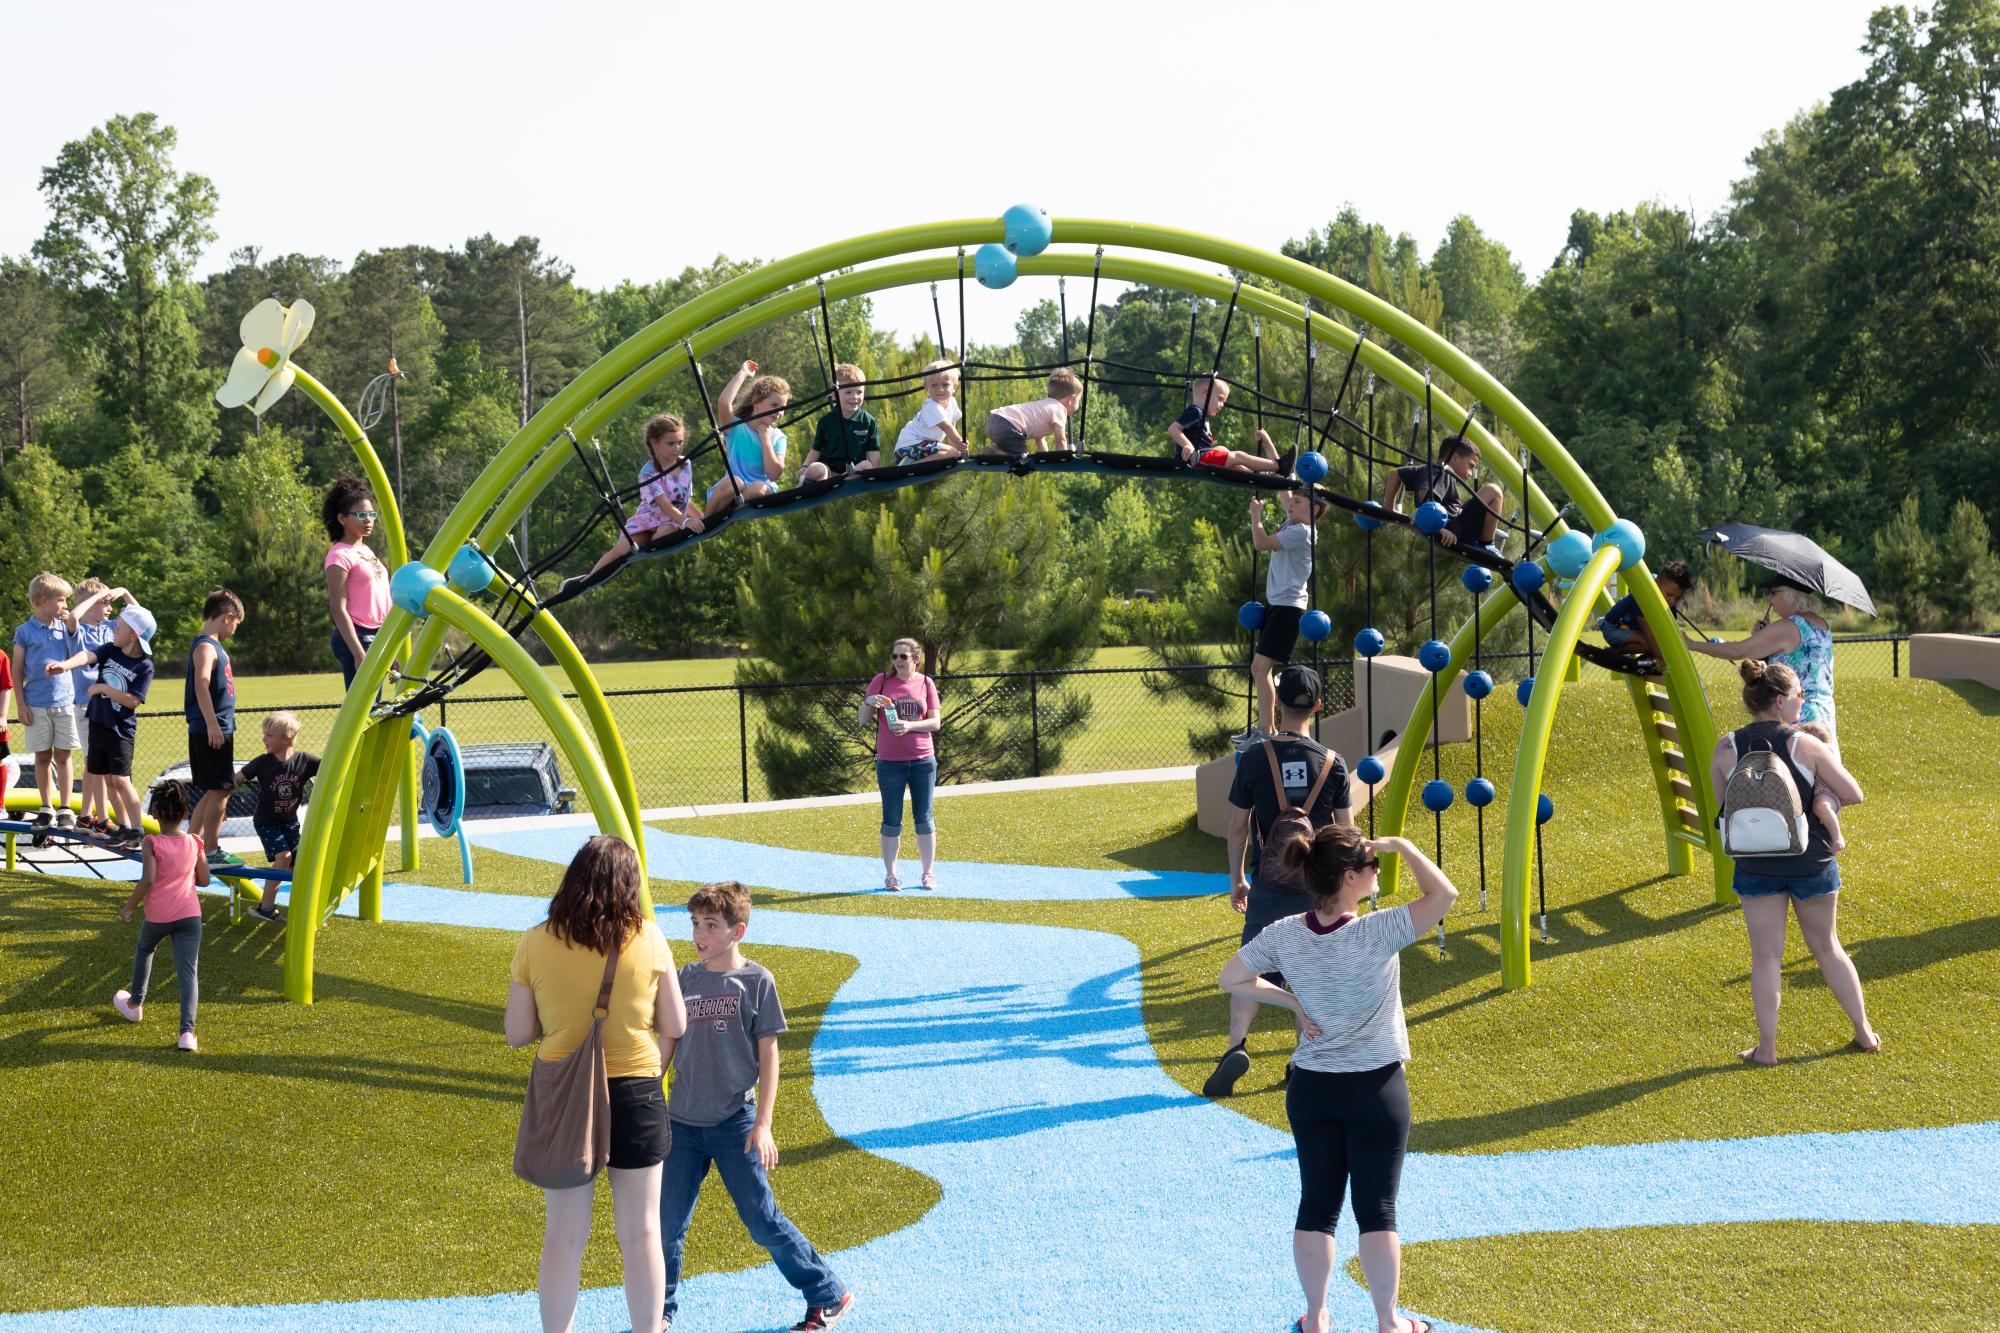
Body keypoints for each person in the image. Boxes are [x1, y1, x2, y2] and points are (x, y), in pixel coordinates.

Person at [1220, 824, 1459, 1333]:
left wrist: (1291, 1000)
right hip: (1377, 1090)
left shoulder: (1285, 934)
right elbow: (1444, 895)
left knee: (1317, 1206)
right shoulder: (1380, 930)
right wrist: (1405, 846)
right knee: (1377, 1211)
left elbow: (1231, 978)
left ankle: (1318, 1319)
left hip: (1312, 1088)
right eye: (1373, 864)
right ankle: (1389, 1323)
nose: (1379, 870)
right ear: (1350, 876)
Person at [507, 835, 685, 1333]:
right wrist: (652, 1068)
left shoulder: (535, 940)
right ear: (630, 885)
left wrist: (560, 1017)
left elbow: (518, 1033)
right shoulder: (650, 938)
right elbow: (675, 1023)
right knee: (642, 1232)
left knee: (564, 1235)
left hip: (564, 1094)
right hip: (637, 1090)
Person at [661, 879, 855, 1331]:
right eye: (695, 923)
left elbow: (770, 1057)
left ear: (737, 930)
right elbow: (666, 1041)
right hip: (681, 1125)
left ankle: (828, 1292)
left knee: (762, 1220)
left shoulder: (757, 982)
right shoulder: (685, 977)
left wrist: (763, 1124)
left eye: (710, 924)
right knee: (665, 1225)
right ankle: (660, 1312)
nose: (699, 933)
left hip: (734, 1122)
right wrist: (647, 1089)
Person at [1712, 659, 1876, 1065]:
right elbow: (1854, 793)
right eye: (1800, 695)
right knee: (1827, 947)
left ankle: (1766, 1049)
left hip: (1755, 863)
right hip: (1811, 861)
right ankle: (1864, 1033)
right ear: (1782, 701)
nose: (1803, 701)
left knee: (1766, 956)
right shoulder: (1806, 744)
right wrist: (1823, 793)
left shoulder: (1726, 746)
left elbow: (1720, 806)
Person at [1207, 664, 1353, 1098]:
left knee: (1251, 968)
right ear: (1318, 707)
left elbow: (1237, 829)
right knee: (1310, 977)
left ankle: (1236, 1046)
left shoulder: (1253, 758)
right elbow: (1348, 834)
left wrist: (1237, 880)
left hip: (1269, 886)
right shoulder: (1335, 764)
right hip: (1318, 889)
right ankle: (1301, 1061)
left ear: (1276, 704)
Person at [44, 604, 155, 850]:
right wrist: (65, 666)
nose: (113, 630)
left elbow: (133, 701)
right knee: (108, 780)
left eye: (119, 628)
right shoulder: (111, 650)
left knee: (121, 780)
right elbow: (87, 656)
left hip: (120, 730)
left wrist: (104, 688)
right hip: (98, 723)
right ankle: (124, 827)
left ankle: (138, 830)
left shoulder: (144, 666)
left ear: (133, 635)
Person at [112, 779, 210, 1053]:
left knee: (145, 949)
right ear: (186, 813)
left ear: (154, 812)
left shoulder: (151, 842)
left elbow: (148, 879)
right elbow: (204, 880)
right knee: (188, 973)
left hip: (158, 916)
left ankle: (134, 1005)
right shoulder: (195, 841)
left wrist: (130, 906)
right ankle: (187, 1034)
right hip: (190, 916)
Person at [1685, 576, 1838, 741]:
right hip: (1823, 716)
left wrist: (1693, 644)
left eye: (1773, 592)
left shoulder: (1789, 626)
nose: (1769, 598)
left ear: (1791, 594)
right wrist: (1764, 635)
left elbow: (1738, 651)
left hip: (1795, 715)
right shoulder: (1821, 624)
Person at [857, 636, 943, 891]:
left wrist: (909, 726)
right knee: (891, 818)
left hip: (922, 761)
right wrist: (868, 702)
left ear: (916, 659)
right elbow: (863, 720)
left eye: (903, 656)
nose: (897, 661)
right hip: (890, 762)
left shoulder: (926, 683)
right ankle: (891, 875)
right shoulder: (881, 681)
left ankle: (927, 873)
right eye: (894, 656)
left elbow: (935, 722)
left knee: (924, 817)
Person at [585, 413, 705, 581]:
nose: (677, 448)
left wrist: (700, 518)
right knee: (621, 551)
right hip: (648, 521)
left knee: (668, 530)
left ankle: (652, 542)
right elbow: (664, 505)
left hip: (670, 522)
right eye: (670, 444)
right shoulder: (648, 473)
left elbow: (684, 499)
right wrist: (685, 521)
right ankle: (587, 580)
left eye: (680, 442)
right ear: (654, 443)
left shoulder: (685, 464)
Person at [1246, 491, 1328, 738]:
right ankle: (1266, 728)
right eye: (1292, 502)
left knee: (1260, 669)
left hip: (1287, 608)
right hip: (1278, 605)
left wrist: (1256, 516)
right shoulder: (1294, 523)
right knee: (1261, 669)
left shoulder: (1300, 532)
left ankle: (1267, 729)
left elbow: (1260, 543)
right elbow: (1284, 491)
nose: (1291, 504)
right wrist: (1275, 458)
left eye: (1298, 502)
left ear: (1313, 510)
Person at [235, 711, 321, 920]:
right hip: (267, 821)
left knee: (299, 865)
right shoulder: (262, 762)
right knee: (284, 856)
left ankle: (302, 908)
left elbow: (331, 769)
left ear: (287, 739)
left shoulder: (304, 761)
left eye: (269, 735)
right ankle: (265, 908)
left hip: (290, 823)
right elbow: (236, 779)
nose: (264, 739)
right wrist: (220, 804)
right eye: (264, 734)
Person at [12, 572, 79, 835]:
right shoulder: (24, 632)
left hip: (66, 702)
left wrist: (72, 626)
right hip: (36, 704)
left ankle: (65, 808)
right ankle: (46, 807)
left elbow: (78, 654)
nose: (64, 605)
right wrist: (21, 704)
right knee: (42, 757)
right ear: (42, 601)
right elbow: (17, 670)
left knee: (64, 756)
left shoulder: (67, 627)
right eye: (60, 600)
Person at [185, 588, 246, 867]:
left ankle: (190, 844)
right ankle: (210, 850)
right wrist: (212, 723)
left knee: (214, 789)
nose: (234, 630)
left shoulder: (209, 644)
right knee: (222, 789)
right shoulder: (207, 646)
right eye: (235, 624)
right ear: (227, 617)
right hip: (212, 727)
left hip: (215, 726)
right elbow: (201, 682)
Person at [1379, 435, 1504, 553]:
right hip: (1457, 530)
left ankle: (1484, 539)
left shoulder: (1424, 469)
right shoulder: (1445, 470)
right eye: (1470, 466)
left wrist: (1389, 507)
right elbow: (1425, 492)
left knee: (1487, 494)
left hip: (1452, 522)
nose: (1471, 473)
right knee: (1494, 491)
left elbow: (1394, 474)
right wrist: (1438, 528)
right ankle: (1486, 544)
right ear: (1454, 458)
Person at [322, 476, 391, 690]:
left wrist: (390, 646)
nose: (368, 520)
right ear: (342, 519)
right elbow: (338, 608)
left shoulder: (366, 551)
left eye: (371, 514)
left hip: (378, 634)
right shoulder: (339, 555)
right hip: (357, 636)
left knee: (375, 707)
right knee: (364, 706)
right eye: (361, 515)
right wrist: (358, 652)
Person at [65, 578, 122, 836]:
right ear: (90, 605)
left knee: (94, 764)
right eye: (105, 603)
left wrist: (124, 593)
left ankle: (86, 815)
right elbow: (74, 616)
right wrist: (93, 598)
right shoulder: (80, 631)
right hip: (87, 703)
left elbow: (142, 619)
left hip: (108, 702)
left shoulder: (108, 628)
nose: (110, 608)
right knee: (96, 764)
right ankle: (101, 817)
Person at [703, 362, 792, 519]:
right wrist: (743, 373)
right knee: (734, 483)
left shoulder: (777, 436)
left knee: (758, 488)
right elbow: (724, 402)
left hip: (759, 488)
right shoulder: (736, 427)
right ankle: (706, 521)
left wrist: (765, 440)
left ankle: (733, 508)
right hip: (733, 486)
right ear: (756, 400)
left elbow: (774, 474)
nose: (779, 412)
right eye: (774, 405)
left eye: (783, 407)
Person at [1167, 373, 1296, 474]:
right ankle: (1278, 466)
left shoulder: (1201, 414)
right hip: (1197, 459)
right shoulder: (1195, 412)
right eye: (1220, 399)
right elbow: (1173, 429)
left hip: (1201, 457)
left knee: (1222, 449)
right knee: (1238, 455)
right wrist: (1187, 446)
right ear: (1205, 394)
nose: (1222, 405)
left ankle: (1252, 473)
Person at [1596, 560, 1692, 663]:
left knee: (1660, 643)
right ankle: (1614, 652)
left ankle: (1646, 660)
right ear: (1657, 584)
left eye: (1678, 598)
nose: (1672, 601)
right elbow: (1648, 633)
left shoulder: (1669, 602)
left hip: (1633, 631)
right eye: (1669, 595)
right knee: (1649, 644)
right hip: (1613, 628)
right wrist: (1662, 659)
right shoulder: (1644, 595)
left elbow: (1669, 631)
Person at [800, 365, 879, 483]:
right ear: (834, 394)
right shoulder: (826, 421)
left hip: (853, 471)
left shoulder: (868, 421)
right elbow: (816, 449)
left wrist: (876, 475)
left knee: (867, 465)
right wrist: (805, 466)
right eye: (848, 392)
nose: (855, 397)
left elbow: (873, 452)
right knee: (817, 469)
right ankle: (813, 481)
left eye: (859, 392)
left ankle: (843, 481)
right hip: (829, 471)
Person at [980, 368, 1081, 459]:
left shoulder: (1045, 407)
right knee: (1022, 460)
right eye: (1079, 400)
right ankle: (996, 454)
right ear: (1071, 400)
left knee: (1012, 450)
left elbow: (1040, 440)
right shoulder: (1059, 410)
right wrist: (1063, 458)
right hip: (1008, 425)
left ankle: (998, 451)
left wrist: (1044, 459)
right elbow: (1061, 440)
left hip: (994, 420)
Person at [890, 360, 966, 464]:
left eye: (945, 385)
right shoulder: (931, 406)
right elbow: (947, 427)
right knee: (952, 452)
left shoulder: (952, 402)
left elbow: (952, 427)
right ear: (926, 388)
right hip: (908, 447)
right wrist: (960, 443)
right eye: (934, 385)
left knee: (953, 452)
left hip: (923, 447)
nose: (940, 389)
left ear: (954, 387)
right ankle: (910, 465)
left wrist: (958, 447)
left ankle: (915, 462)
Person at [1792, 720, 1846, 854]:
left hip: (1827, 792)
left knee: (1821, 807)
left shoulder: (1826, 749)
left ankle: (1837, 837)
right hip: (1817, 791)